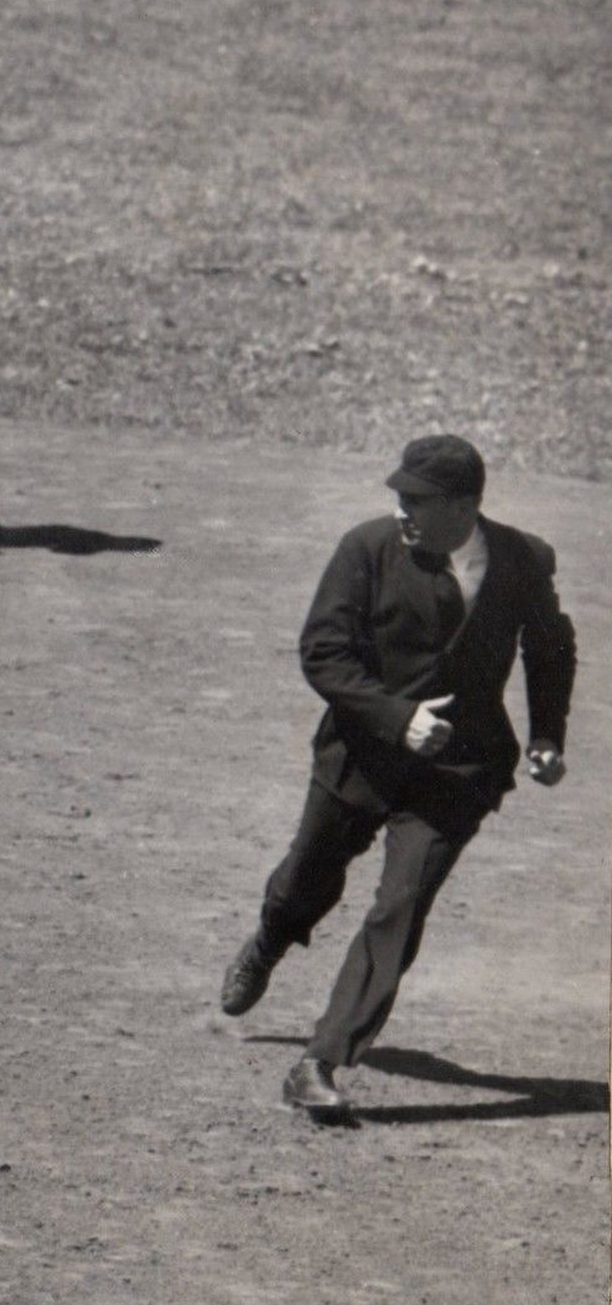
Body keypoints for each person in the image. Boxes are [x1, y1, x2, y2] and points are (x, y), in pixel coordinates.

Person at [219, 434, 576, 1120]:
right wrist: (395, 716)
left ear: (464, 505)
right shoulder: (365, 549)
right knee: (307, 878)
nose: (400, 509)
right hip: (359, 757)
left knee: (399, 908)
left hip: (457, 773)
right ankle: (268, 940)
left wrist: (545, 735)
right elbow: (321, 654)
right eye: (397, 496)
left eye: (415, 499)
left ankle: (319, 1060)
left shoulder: (522, 560)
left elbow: (550, 647)